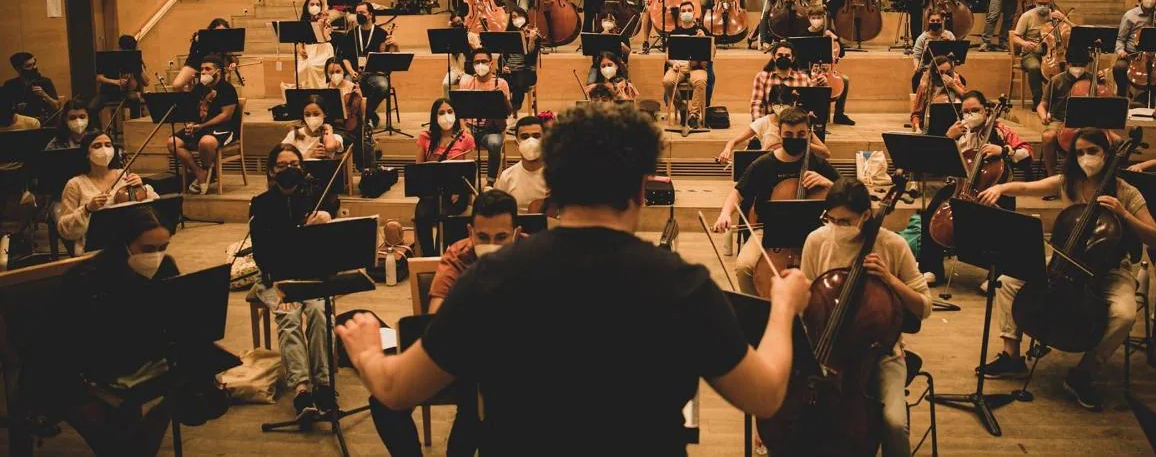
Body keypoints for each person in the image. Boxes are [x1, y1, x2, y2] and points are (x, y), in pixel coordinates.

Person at [337, 104, 813, 455]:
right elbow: (765, 395)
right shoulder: (682, 285)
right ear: (642, 189)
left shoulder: (491, 277)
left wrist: (366, 352)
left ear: (555, 187)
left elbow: (398, 389)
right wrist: (784, 305)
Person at [977, 128, 1156, 410]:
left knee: (1124, 314)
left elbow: (1155, 237)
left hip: (1110, 268)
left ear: (1106, 154)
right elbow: (1027, 188)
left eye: (1092, 151)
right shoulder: (1069, 182)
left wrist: (1123, 214)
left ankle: (1085, 372)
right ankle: (1011, 355)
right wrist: (1001, 187)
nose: (1086, 157)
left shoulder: (1126, 191)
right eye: (1079, 152)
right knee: (1007, 280)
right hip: (1064, 260)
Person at [369, 190, 524, 457]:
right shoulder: (458, 256)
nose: (492, 245)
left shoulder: (533, 256)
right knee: (383, 402)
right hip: (461, 356)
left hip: (514, 367)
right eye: (483, 237)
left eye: (501, 238)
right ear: (470, 231)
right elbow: (437, 316)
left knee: (483, 395)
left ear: (517, 233)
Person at [800, 178, 931, 457]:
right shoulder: (816, 241)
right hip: (825, 348)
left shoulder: (892, 245)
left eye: (845, 221)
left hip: (881, 354)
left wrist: (890, 279)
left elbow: (924, 306)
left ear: (866, 216)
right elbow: (807, 303)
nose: (837, 227)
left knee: (894, 424)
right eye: (831, 219)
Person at [42, 207, 184, 456]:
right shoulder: (86, 277)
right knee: (121, 439)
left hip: (135, 360)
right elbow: (66, 345)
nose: (157, 256)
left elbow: (174, 318)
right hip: (79, 372)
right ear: (125, 244)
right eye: (148, 249)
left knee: (190, 379)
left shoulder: (166, 267)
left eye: (164, 248)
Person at [249, 144, 338, 425]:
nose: (289, 169)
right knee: (288, 316)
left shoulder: (316, 197)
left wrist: (326, 219)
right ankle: (301, 390)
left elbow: (331, 249)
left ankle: (323, 386)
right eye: (282, 165)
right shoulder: (261, 204)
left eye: (294, 164)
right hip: (276, 277)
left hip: (312, 276)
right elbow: (264, 256)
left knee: (319, 313)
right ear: (272, 171)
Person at [712, 107, 839, 295]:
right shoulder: (764, 164)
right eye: (789, 134)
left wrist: (829, 184)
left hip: (813, 232)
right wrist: (724, 214)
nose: (795, 138)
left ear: (809, 135)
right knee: (744, 267)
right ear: (779, 134)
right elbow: (738, 193)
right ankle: (756, 308)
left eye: (801, 134)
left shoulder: (817, 163)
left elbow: (848, 194)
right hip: (770, 231)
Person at [921, 90, 1034, 280]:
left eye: (975, 110)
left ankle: (997, 274)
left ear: (986, 110)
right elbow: (936, 162)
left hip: (994, 187)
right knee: (931, 212)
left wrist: (1004, 150)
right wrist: (948, 138)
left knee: (1004, 217)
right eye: (966, 111)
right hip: (960, 186)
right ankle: (931, 267)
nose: (970, 115)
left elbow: (1027, 151)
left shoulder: (999, 130)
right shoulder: (958, 131)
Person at [57, 131, 157, 256]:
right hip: (95, 251)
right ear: (87, 153)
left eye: (108, 145)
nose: (104, 150)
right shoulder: (75, 184)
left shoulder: (124, 175)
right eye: (97, 146)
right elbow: (65, 229)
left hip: (130, 245)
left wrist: (142, 189)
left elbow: (152, 210)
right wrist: (87, 209)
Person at [166, 54, 241, 194]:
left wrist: (201, 126)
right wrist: (190, 124)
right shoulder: (199, 88)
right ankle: (200, 172)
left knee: (205, 143)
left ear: (217, 72)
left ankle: (207, 170)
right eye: (202, 69)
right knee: (172, 143)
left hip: (224, 128)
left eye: (207, 69)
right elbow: (190, 109)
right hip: (201, 126)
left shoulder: (227, 88)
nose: (203, 72)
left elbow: (226, 116)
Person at [413, 97, 476, 256]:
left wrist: (460, 191)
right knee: (421, 216)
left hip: (456, 194)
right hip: (432, 193)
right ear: (435, 116)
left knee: (446, 217)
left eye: (450, 111)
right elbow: (418, 169)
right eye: (441, 112)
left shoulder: (466, 139)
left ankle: (440, 256)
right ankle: (429, 256)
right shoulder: (425, 137)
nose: (446, 115)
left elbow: (470, 172)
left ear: (456, 114)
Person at [716, 85, 830, 163]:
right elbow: (734, 141)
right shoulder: (763, 122)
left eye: (785, 104)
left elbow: (825, 153)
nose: (781, 107)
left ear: (792, 104)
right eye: (777, 104)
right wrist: (726, 150)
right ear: (770, 105)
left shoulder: (800, 124)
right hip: (769, 166)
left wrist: (802, 143)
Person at [335, 2, 399, 126]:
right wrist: (350, 71)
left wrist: (395, 44)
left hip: (373, 74)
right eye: (357, 13)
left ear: (370, 14)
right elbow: (345, 58)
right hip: (354, 72)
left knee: (382, 85)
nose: (359, 15)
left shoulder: (381, 33)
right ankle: (354, 116)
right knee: (346, 84)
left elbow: (389, 58)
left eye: (362, 13)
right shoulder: (351, 33)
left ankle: (366, 113)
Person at [790, 5, 854, 126]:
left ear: (824, 18)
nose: (816, 20)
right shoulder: (803, 34)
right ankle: (812, 113)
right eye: (814, 17)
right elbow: (797, 57)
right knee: (808, 80)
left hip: (827, 68)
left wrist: (835, 39)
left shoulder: (829, 33)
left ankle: (839, 114)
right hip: (807, 68)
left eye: (819, 17)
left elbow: (841, 53)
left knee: (845, 80)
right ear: (809, 18)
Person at [1036, 47, 1096, 175]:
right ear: (1068, 64)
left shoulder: (1093, 79)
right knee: (1048, 137)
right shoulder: (1057, 80)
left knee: (1114, 140)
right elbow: (1042, 104)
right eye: (1074, 65)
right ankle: (1051, 175)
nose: (1078, 68)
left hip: (1086, 121)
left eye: (1082, 65)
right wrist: (1043, 116)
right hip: (1060, 120)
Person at [458, 48, 512, 182]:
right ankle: (464, 182)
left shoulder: (501, 83)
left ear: (490, 63)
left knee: (495, 144)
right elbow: (459, 111)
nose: (480, 65)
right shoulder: (466, 82)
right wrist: (464, 127)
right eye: (477, 62)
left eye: (483, 61)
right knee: (455, 144)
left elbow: (509, 112)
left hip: (491, 129)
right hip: (470, 127)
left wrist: (503, 98)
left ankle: (490, 181)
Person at [1010, 0, 1066, 110]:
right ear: (1035, 1)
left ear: (1050, 2)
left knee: (1062, 68)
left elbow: (1072, 30)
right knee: (1035, 67)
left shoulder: (1055, 15)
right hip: (1031, 53)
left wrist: (1064, 19)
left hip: (1052, 53)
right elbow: (1015, 37)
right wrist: (1025, 43)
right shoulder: (1027, 16)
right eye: (1040, 3)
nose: (1042, 6)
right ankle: (1039, 102)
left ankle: (1058, 102)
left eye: (1045, 4)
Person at [748, 40, 827, 121]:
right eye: (780, 55)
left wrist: (822, 85)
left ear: (793, 59)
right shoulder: (762, 77)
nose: (783, 57)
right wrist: (759, 126)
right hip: (770, 124)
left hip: (797, 125)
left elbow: (814, 101)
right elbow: (756, 103)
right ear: (774, 57)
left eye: (787, 55)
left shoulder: (804, 78)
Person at [663, 1, 711, 130]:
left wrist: (704, 38)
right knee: (667, 81)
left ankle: (693, 116)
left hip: (697, 67)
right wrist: (673, 64)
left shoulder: (702, 30)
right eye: (683, 11)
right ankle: (683, 108)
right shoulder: (674, 33)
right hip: (678, 66)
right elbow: (667, 55)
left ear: (694, 13)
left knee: (701, 82)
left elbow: (712, 53)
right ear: (679, 15)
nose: (686, 13)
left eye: (689, 10)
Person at [494, 116, 550, 213]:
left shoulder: (557, 175)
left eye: (536, 136)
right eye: (524, 137)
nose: (531, 141)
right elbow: (500, 213)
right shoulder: (506, 177)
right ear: (516, 142)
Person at [324, 56, 372, 168]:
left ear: (343, 71)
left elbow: (362, 114)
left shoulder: (352, 87)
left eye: (338, 71)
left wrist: (359, 97)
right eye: (331, 72)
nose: (335, 74)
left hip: (348, 128)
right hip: (330, 126)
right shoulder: (324, 89)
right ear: (326, 73)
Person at [89, 33, 150, 120]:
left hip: (127, 91)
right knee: (91, 108)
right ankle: (96, 131)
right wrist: (116, 82)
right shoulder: (108, 58)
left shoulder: (135, 58)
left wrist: (138, 65)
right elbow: (99, 77)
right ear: (120, 48)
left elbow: (146, 82)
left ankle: (133, 126)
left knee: (135, 100)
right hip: (107, 91)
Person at [172, 18, 236, 91]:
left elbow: (233, 57)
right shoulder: (201, 37)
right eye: (217, 31)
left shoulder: (226, 40)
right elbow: (193, 53)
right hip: (195, 63)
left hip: (213, 66)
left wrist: (233, 63)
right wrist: (198, 40)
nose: (220, 34)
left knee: (223, 83)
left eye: (223, 32)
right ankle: (187, 100)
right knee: (177, 85)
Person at [909, 54, 967, 132]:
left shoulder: (955, 80)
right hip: (932, 125)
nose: (944, 75)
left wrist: (953, 86)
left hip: (954, 126)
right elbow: (916, 113)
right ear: (934, 71)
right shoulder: (925, 84)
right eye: (941, 72)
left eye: (948, 72)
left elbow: (967, 98)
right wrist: (917, 128)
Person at [502, 8, 542, 113]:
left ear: (525, 17)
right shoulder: (508, 35)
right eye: (514, 17)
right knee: (498, 82)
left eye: (519, 16)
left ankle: (513, 110)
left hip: (527, 71)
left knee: (518, 82)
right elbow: (503, 56)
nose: (517, 19)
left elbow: (530, 60)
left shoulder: (532, 33)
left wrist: (531, 40)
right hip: (510, 70)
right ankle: (502, 112)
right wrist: (504, 66)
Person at [282, 95, 345, 161]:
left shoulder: (334, 137)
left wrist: (329, 130)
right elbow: (280, 157)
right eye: (307, 115)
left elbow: (330, 147)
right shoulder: (294, 134)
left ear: (325, 114)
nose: (311, 118)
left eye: (316, 114)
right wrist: (308, 156)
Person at [4, 51, 60, 120]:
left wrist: (44, 95)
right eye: (29, 66)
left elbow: (57, 107)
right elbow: (4, 110)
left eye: (34, 64)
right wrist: (16, 107)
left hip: (44, 122)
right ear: (18, 69)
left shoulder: (45, 81)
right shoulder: (10, 85)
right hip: (21, 123)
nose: (34, 67)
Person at [296, 0, 335, 89]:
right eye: (312, 4)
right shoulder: (303, 22)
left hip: (322, 50)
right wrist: (300, 49)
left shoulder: (325, 20)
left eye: (318, 4)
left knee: (311, 67)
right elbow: (299, 41)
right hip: (308, 50)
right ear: (307, 7)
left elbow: (325, 39)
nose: (315, 6)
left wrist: (322, 24)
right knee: (301, 70)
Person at [911, 10, 955, 89]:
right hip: (927, 69)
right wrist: (916, 67)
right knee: (915, 80)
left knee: (962, 80)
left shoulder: (949, 35)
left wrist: (950, 43)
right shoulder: (922, 38)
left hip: (945, 70)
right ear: (928, 21)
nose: (935, 22)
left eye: (938, 20)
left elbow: (955, 55)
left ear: (942, 21)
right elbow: (916, 56)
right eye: (932, 20)